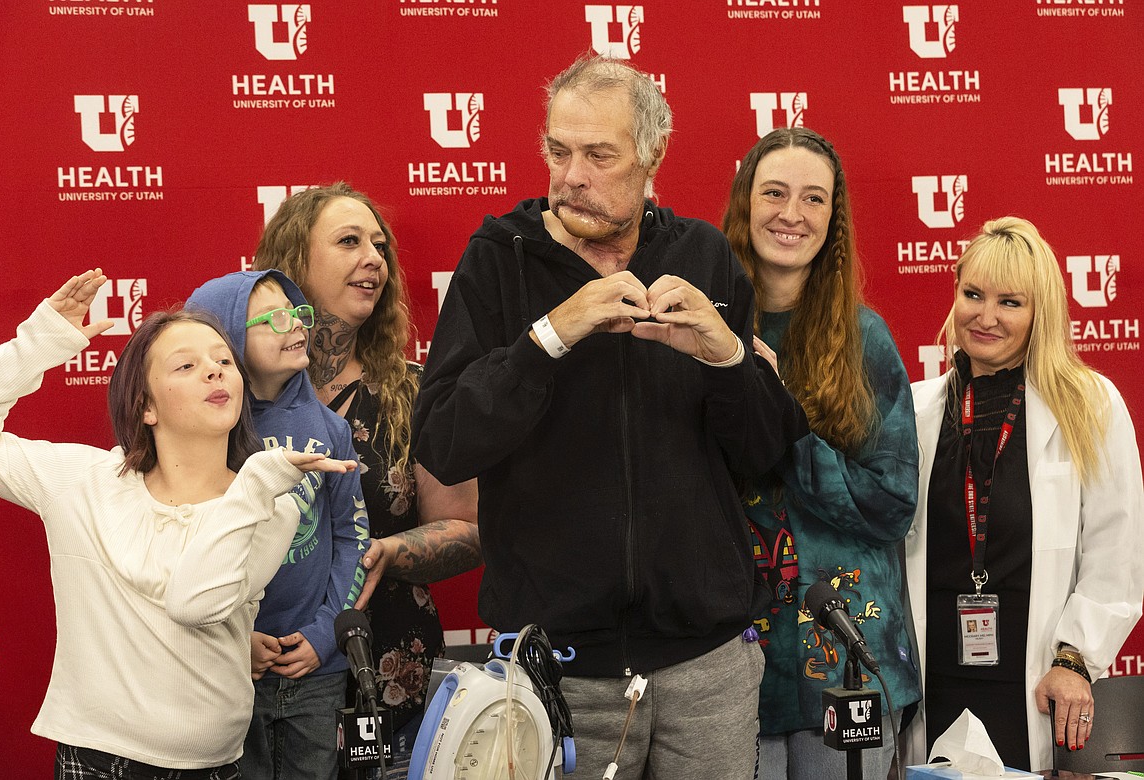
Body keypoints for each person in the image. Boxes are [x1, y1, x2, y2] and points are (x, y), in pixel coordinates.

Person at [411, 54, 810, 780]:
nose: (571, 176)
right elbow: (442, 440)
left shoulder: (705, 255)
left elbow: (764, 458)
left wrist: (728, 360)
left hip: (707, 666)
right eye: (558, 152)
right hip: (560, 674)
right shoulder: (499, 259)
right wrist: (548, 338)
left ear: (651, 156)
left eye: (599, 156)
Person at [0, 269, 357, 778]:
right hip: (95, 760)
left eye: (224, 361)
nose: (215, 372)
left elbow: (195, 602)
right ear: (146, 406)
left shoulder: (270, 505)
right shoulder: (82, 481)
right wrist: (39, 343)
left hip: (214, 766)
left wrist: (253, 487)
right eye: (186, 365)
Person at [253, 183, 481, 775]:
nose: (374, 258)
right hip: (253, 680)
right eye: (349, 241)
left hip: (385, 686)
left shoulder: (415, 393)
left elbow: (470, 528)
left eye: (380, 245)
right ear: (294, 261)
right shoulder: (229, 391)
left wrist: (384, 553)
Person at [904, 217, 1144, 771]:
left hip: (1034, 685)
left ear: (1042, 313)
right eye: (972, 295)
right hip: (930, 682)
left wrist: (1076, 659)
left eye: (1010, 302)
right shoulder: (914, 410)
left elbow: (1118, 553)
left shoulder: (1091, 406)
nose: (985, 317)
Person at [721, 128, 921, 779]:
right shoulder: (702, 330)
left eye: (813, 199)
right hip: (725, 671)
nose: (791, 214)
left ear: (832, 219)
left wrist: (784, 421)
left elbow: (892, 506)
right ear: (745, 202)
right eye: (774, 192)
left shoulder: (866, 339)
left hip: (846, 662)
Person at [186, 270, 368, 779]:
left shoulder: (330, 428)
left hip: (316, 667)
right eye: (274, 318)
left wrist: (325, 634)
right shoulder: (207, 431)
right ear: (224, 337)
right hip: (231, 667)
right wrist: (233, 640)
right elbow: (182, 553)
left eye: (299, 314)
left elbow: (350, 538)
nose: (297, 327)